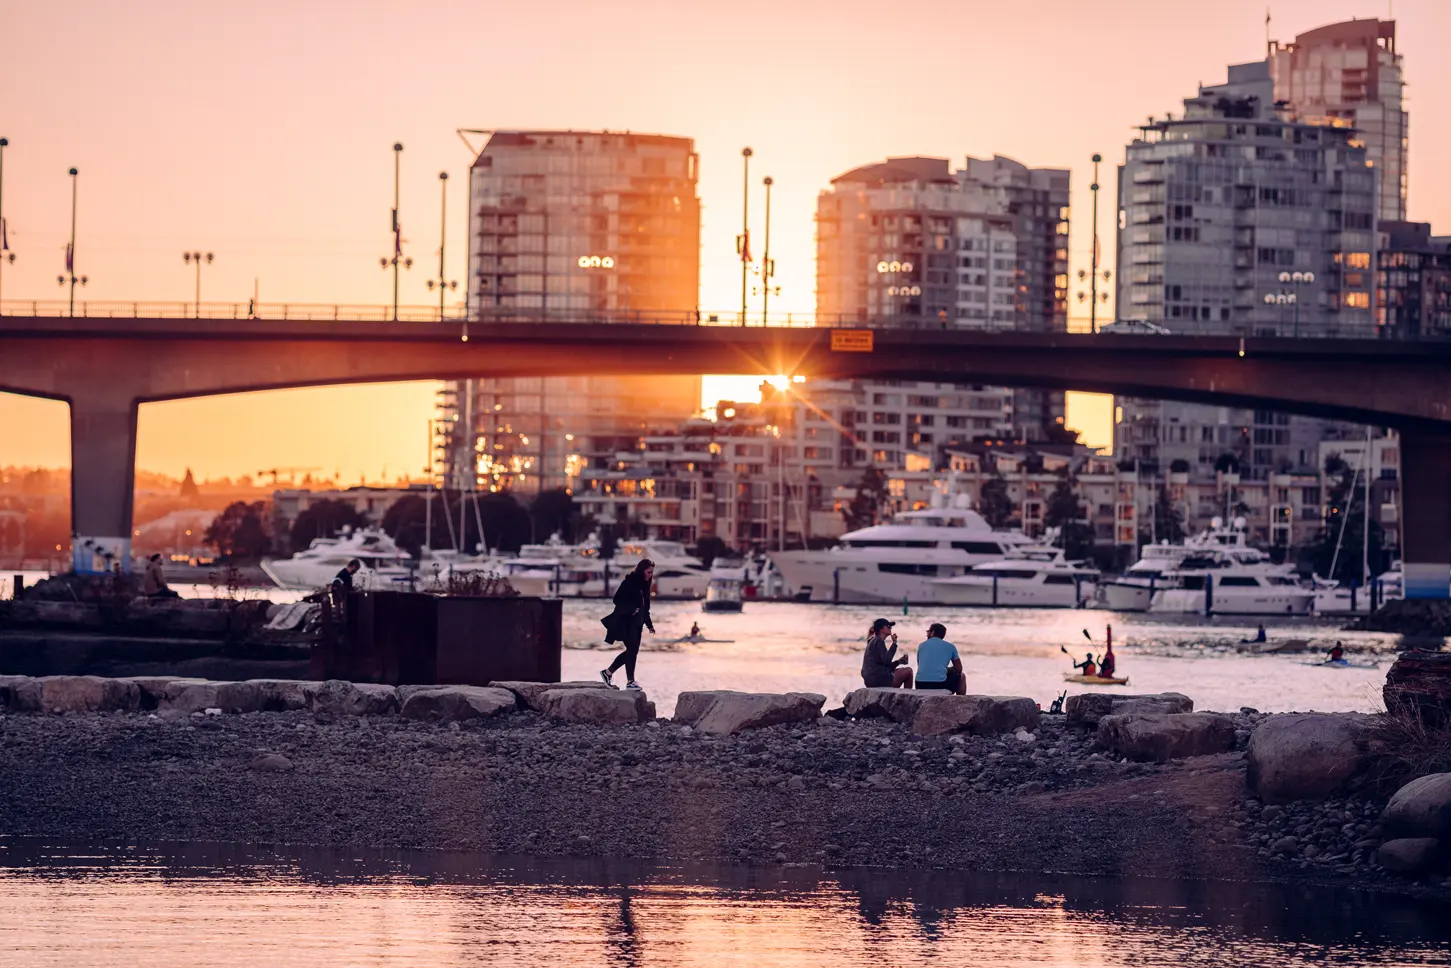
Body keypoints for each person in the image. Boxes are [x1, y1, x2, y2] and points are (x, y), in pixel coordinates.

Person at [601, 559, 656, 690]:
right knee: (632, 650)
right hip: (626, 622)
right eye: (648, 572)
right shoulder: (629, 582)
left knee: (633, 651)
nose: (650, 575)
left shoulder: (645, 586)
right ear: (642, 570)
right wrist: (632, 609)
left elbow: (645, 608)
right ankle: (629, 681)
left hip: (638, 624)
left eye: (652, 573)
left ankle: (608, 673)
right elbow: (617, 599)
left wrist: (649, 624)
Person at [861, 618, 912, 689]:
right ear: (881, 629)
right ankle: (908, 698)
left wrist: (899, 662)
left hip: (872, 680)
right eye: (888, 626)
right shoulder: (879, 641)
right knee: (908, 671)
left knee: (902, 671)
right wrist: (894, 643)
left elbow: (883, 664)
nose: (890, 628)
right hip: (878, 680)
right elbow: (887, 660)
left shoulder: (873, 640)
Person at [914, 622, 964, 694]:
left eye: (928, 631)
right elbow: (959, 669)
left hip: (920, 684)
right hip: (939, 684)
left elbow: (921, 666)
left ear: (933, 632)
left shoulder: (921, 645)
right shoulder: (950, 646)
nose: (927, 634)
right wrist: (946, 669)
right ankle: (961, 702)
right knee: (962, 676)